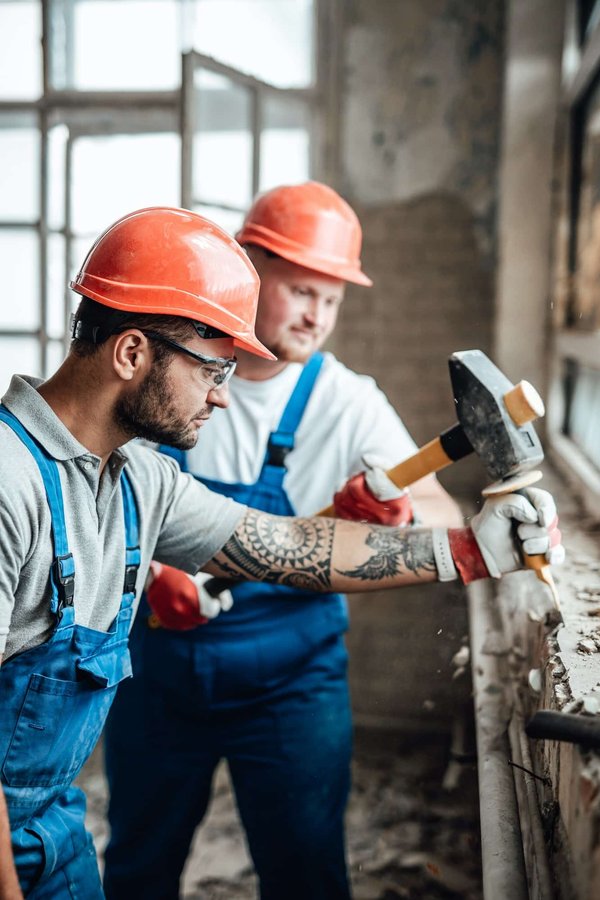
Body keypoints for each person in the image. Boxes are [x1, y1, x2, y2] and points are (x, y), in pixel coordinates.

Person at [0, 205, 560, 900]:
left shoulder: (140, 477)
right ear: (132, 353)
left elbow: (288, 545)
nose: (222, 398)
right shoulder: (11, 483)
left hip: (57, 834)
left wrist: (470, 548)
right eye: (212, 370)